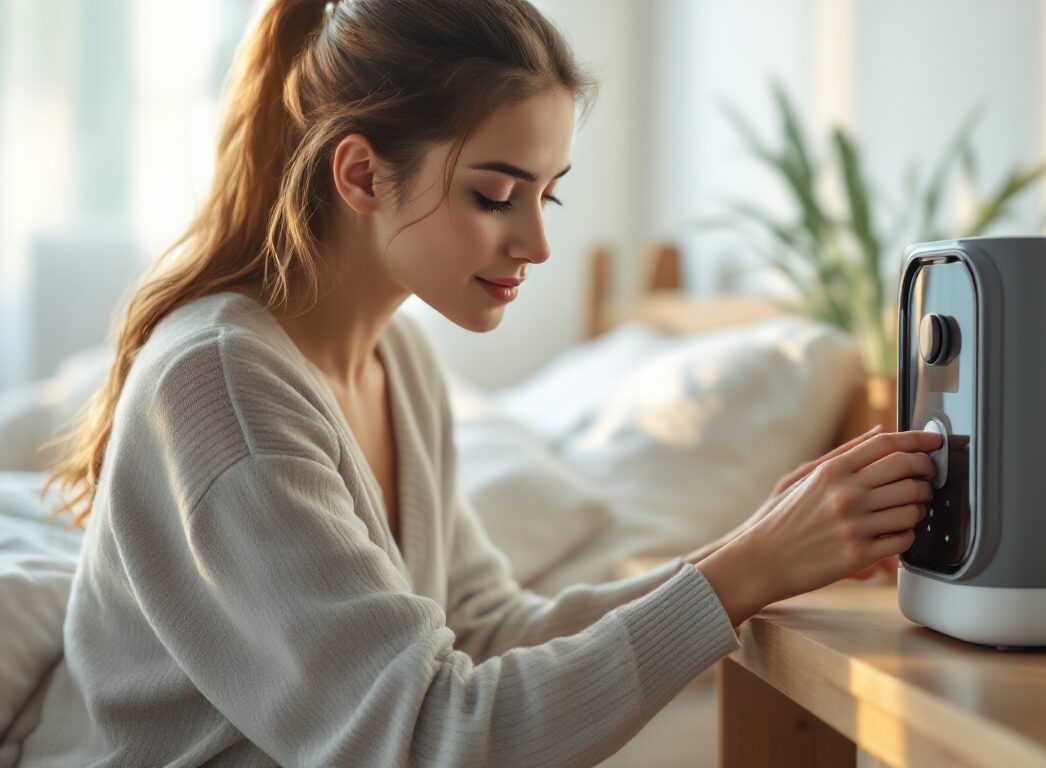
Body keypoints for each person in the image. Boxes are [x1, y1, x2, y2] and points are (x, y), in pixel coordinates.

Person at [21, 0, 940, 765]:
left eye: (550, 194)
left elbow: (489, 629)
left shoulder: (399, 360)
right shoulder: (221, 389)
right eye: (496, 195)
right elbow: (433, 738)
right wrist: (743, 573)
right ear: (360, 172)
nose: (536, 243)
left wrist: (752, 550)